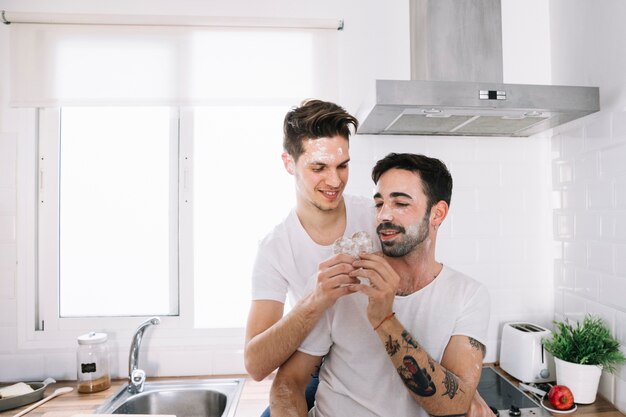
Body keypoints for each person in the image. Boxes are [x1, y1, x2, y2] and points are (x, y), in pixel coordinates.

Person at [269, 153, 491, 417]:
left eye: (400, 203)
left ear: (437, 214)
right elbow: (288, 384)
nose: (384, 215)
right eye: (379, 204)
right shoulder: (340, 281)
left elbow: (453, 404)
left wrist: (384, 319)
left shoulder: (468, 295)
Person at [244, 99, 378, 414]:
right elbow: (256, 364)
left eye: (342, 165)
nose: (334, 181)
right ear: (289, 163)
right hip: (318, 369)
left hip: (376, 370)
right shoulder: (275, 249)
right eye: (319, 167)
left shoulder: (376, 218)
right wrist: (316, 299)